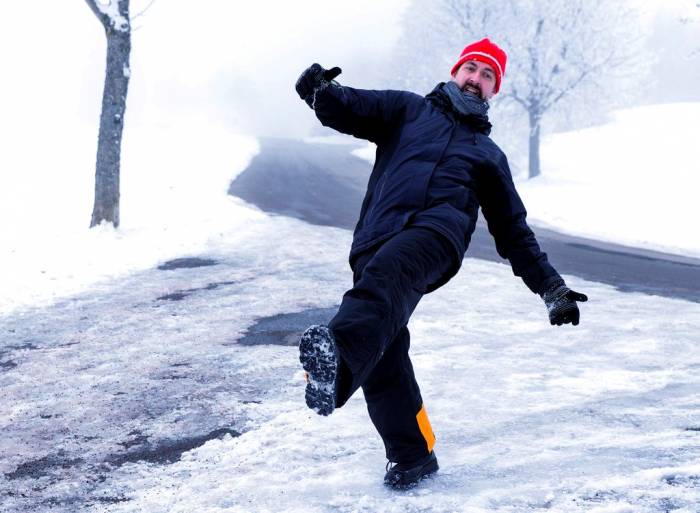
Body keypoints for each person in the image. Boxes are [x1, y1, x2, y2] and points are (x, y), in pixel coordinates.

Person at [294, 38, 588, 489]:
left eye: (487, 75)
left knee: (384, 285)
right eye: (471, 68)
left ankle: (337, 359)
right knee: (385, 350)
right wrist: (321, 92)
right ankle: (413, 454)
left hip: (436, 238)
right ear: (455, 73)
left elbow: (513, 231)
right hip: (374, 238)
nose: (476, 79)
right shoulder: (407, 110)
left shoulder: (488, 156)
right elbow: (353, 107)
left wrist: (551, 287)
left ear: (495, 91)